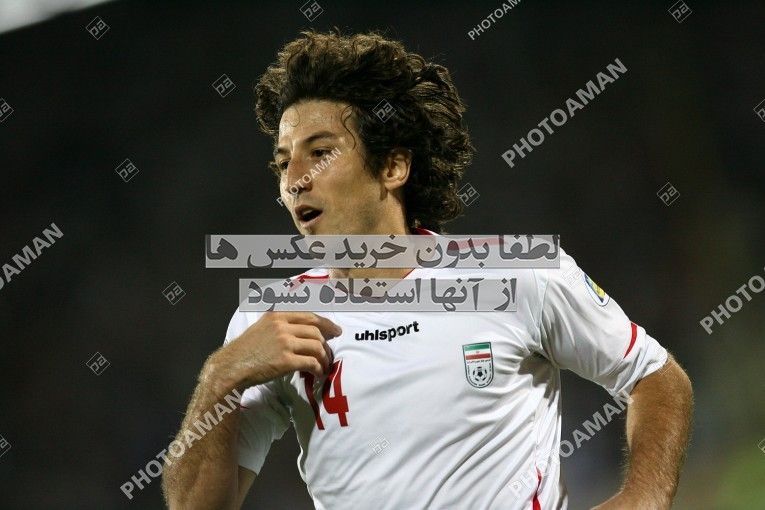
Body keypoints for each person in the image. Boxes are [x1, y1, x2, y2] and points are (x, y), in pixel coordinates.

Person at [161, 29, 693, 509]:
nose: (293, 180)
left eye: (319, 153)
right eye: (283, 162)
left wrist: (643, 498)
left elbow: (654, 376)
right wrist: (221, 376)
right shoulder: (269, 319)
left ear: (393, 166)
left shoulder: (518, 274)